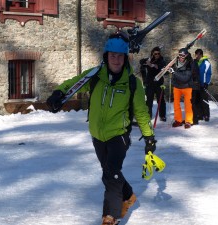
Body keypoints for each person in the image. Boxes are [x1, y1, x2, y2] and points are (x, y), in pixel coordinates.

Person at [46, 32, 156, 225]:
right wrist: (58, 94)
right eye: (112, 55)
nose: (116, 59)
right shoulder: (95, 76)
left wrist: (149, 137)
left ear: (125, 58)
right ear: (106, 56)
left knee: (111, 174)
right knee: (109, 172)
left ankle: (110, 217)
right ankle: (128, 196)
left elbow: (141, 112)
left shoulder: (133, 83)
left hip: (119, 136)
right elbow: (74, 84)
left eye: (120, 56)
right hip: (97, 135)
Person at [140, 47, 167, 121]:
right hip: (150, 83)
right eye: (155, 54)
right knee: (149, 100)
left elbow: (162, 67)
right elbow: (141, 62)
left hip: (159, 83)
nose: (157, 55)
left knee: (161, 100)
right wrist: (146, 62)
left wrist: (153, 65)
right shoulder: (149, 59)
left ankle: (162, 115)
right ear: (152, 54)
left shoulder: (162, 60)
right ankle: (148, 115)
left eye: (158, 53)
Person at [171, 48, 196, 129]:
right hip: (177, 86)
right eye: (180, 55)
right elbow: (170, 72)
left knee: (188, 104)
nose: (181, 57)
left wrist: (174, 73)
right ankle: (178, 120)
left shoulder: (190, 64)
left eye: (183, 55)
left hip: (187, 86)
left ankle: (188, 121)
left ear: (186, 55)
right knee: (176, 104)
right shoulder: (175, 62)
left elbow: (185, 78)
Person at [194, 49, 212, 122]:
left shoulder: (206, 63)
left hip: (203, 84)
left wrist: (206, 83)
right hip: (197, 84)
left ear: (201, 55)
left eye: (198, 54)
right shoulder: (195, 62)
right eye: (196, 54)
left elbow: (208, 73)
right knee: (197, 100)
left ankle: (206, 115)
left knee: (204, 100)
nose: (197, 56)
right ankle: (200, 115)